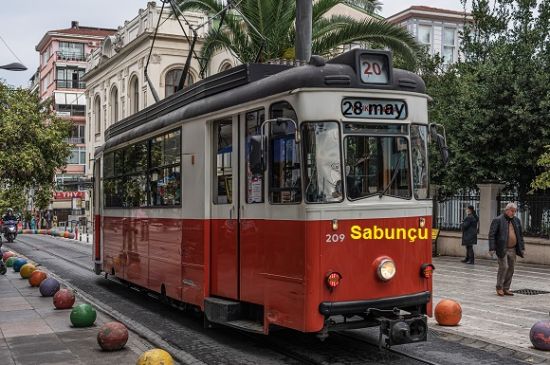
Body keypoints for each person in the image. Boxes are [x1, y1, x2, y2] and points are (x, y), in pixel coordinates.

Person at [489, 202, 525, 297]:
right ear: (507, 210)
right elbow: (492, 235)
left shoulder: (516, 220)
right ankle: (499, 287)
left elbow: (520, 235)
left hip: (513, 249)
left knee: (511, 268)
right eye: (512, 211)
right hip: (502, 248)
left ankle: (506, 288)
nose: (513, 213)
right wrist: (492, 248)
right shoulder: (498, 220)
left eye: (515, 211)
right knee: (504, 267)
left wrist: (522, 247)